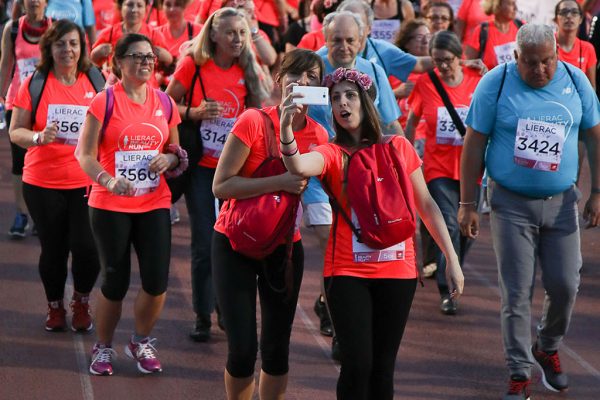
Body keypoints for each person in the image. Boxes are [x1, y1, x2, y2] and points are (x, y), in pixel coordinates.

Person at [280, 66, 464, 400]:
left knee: (382, 368)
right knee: (357, 364)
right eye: (335, 98)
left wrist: (451, 258)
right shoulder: (333, 153)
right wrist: (285, 129)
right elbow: (298, 166)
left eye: (350, 95)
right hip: (348, 271)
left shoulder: (399, 146)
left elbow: (427, 204)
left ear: (366, 101)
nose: (342, 103)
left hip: (399, 271)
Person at [458, 24, 600, 399]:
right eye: (532, 63)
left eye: (548, 61)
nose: (540, 70)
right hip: (511, 204)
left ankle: (547, 346)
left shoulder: (575, 81)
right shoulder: (495, 83)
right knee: (517, 292)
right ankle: (519, 371)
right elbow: (473, 144)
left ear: (558, 54)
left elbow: (594, 136)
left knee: (566, 285)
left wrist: (597, 192)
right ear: (516, 58)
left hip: (562, 204)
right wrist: (468, 204)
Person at [211, 48, 328, 400]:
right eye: (296, 75)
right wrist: (278, 183)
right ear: (279, 79)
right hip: (234, 243)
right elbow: (221, 185)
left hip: (284, 248)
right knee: (243, 350)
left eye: (312, 78)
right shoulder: (252, 121)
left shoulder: (320, 136)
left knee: (276, 351)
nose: (303, 83)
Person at [77, 33, 184, 376]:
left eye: (150, 57)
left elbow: (175, 151)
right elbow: (84, 155)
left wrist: (169, 160)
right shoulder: (103, 102)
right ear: (119, 62)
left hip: (153, 201)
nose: (145, 63)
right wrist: (108, 180)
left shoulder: (164, 103)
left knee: (156, 281)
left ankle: (140, 340)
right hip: (110, 203)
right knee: (115, 281)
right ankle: (104, 346)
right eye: (137, 57)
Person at [165, 6, 269, 343]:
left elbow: (260, 119)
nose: (237, 39)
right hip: (201, 171)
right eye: (230, 33)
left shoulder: (248, 68)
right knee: (204, 243)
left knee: (235, 243)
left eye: (242, 33)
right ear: (213, 34)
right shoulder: (194, 64)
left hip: (236, 173)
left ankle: (226, 309)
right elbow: (164, 106)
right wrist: (193, 111)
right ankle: (201, 315)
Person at [8, 19, 103, 332]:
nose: (68, 50)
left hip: (86, 181)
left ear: (82, 47)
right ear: (49, 47)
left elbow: (109, 123)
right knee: (54, 250)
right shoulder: (35, 82)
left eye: (73, 43)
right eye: (61, 44)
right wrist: (38, 137)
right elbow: (15, 131)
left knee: (88, 249)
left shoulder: (94, 79)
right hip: (42, 181)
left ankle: (81, 301)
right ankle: (55, 306)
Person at [405, 30, 481, 314]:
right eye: (437, 61)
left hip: (472, 168)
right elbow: (412, 121)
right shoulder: (426, 82)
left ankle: (452, 263)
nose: (443, 66)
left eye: (447, 60)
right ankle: (446, 289)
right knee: (448, 225)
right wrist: (408, 154)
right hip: (438, 166)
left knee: (467, 231)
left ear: (460, 57)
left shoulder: (477, 80)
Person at [0, 0, 51, 239]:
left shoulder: (55, 28)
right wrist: (1, 96)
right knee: (20, 162)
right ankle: (21, 214)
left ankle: (42, 215)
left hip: (47, 102)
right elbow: (5, 64)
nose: (34, 1)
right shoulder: (12, 28)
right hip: (18, 102)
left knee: (45, 159)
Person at [90, 0, 172, 88]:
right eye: (129, 5)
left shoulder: (154, 34)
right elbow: (93, 61)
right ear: (120, 7)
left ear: (146, 9)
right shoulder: (109, 33)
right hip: (116, 88)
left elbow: (169, 61)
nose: (134, 10)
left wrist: (162, 54)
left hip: (148, 88)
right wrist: (98, 52)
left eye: (139, 5)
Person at [464, 0, 522, 69]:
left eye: (515, 3)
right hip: (491, 78)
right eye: (511, 4)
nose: (516, 8)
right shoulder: (482, 30)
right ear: (497, 6)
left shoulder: (520, 26)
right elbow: (468, 62)